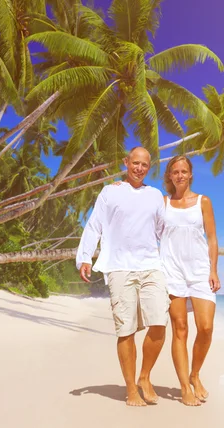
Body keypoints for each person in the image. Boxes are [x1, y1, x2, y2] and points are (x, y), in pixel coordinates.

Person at [75, 147, 170, 407]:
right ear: (126, 163)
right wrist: (85, 256)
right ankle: (130, 388)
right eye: (135, 163)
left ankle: (145, 377)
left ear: (149, 167)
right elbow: (95, 224)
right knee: (126, 330)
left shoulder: (155, 196)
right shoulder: (111, 191)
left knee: (159, 323)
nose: (139, 168)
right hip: (119, 266)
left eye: (144, 165)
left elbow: (164, 232)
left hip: (151, 265)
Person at [160, 155, 221, 406]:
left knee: (205, 327)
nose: (180, 175)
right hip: (171, 271)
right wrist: (121, 184)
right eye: (175, 171)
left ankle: (195, 374)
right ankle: (185, 386)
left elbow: (212, 238)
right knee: (180, 330)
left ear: (191, 174)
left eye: (184, 171)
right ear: (170, 175)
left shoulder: (203, 201)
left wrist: (214, 270)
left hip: (199, 271)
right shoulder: (162, 202)